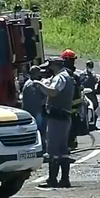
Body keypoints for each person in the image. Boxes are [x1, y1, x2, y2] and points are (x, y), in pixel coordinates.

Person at [33, 57, 75, 188]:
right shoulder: (66, 76)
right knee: (63, 149)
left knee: (53, 148)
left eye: (50, 66)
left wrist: (40, 84)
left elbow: (53, 91)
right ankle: (64, 179)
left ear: (55, 66)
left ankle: (52, 179)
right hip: (64, 117)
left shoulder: (60, 78)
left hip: (57, 116)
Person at [61, 49, 83, 150]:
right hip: (66, 109)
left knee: (73, 127)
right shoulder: (63, 76)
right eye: (71, 60)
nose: (72, 63)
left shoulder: (75, 77)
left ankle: (71, 142)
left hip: (73, 109)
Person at [22, 66, 47, 153]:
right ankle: (42, 150)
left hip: (30, 111)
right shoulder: (33, 84)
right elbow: (36, 100)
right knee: (40, 131)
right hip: (35, 112)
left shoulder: (27, 83)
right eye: (38, 72)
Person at [81, 60, 99, 125]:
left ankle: (94, 123)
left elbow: (96, 82)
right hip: (85, 93)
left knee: (96, 106)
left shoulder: (93, 74)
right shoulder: (83, 74)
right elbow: (81, 83)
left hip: (92, 92)